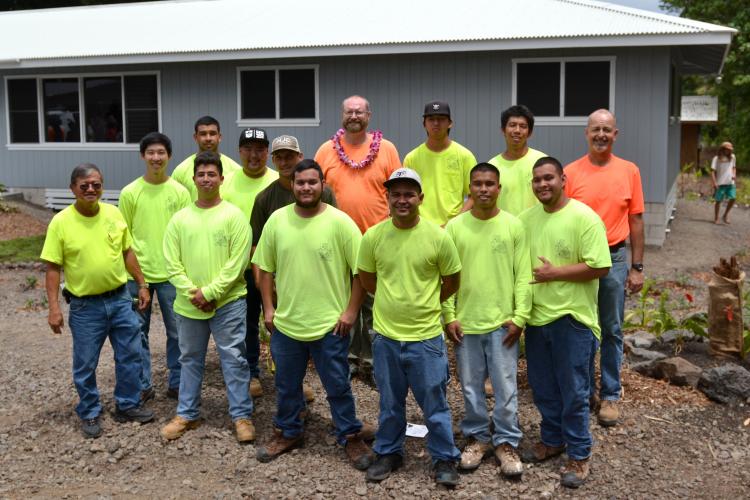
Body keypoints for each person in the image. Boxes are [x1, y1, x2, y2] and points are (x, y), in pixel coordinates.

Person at [252, 160, 374, 469]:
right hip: (287, 324)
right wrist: (268, 307)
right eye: (300, 182)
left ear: (322, 185)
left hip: (330, 325)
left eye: (312, 182)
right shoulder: (277, 221)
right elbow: (264, 267)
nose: (306, 187)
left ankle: (349, 434)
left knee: (337, 384)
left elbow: (361, 273)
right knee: (286, 384)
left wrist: (350, 312)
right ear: (292, 185)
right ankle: (289, 431)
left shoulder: (340, 223)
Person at [358, 168, 462, 487]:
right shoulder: (373, 237)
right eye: (396, 194)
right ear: (387, 197)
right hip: (387, 337)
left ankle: (444, 458)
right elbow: (367, 280)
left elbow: (452, 280)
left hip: (426, 338)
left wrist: (426, 302)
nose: (402, 200)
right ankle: (389, 452)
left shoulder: (438, 237)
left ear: (421, 198)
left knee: (435, 403)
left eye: (409, 193)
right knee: (390, 401)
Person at [41, 163, 155, 439]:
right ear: (73, 189)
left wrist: (142, 284)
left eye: (97, 184)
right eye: (84, 185)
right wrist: (54, 308)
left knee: (130, 354)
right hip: (84, 307)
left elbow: (127, 252)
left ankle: (127, 404)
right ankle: (90, 410)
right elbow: (53, 268)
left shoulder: (113, 214)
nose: (91, 189)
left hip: (119, 300)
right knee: (86, 362)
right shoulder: (61, 222)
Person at [519, 156, 611, 489]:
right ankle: (553, 439)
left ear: (563, 179)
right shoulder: (526, 220)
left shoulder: (584, 218)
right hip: (537, 318)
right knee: (543, 387)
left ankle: (579, 453)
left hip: (573, 320)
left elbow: (600, 266)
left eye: (549, 178)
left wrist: (554, 273)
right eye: (537, 180)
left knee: (574, 391)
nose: (543, 185)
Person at [442, 162, 531, 477]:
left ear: (499, 188)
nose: (483, 189)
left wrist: (520, 317)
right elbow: (448, 278)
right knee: (469, 385)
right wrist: (449, 315)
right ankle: (478, 437)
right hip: (465, 324)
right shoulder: (455, 228)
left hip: (501, 325)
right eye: (477, 184)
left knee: (506, 386)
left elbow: (523, 276)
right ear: (470, 188)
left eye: (489, 184)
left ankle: (507, 441)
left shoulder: (513, 226)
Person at [160, 151, 255, 443]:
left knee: (234, 358)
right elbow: (171, 262)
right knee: (189, 358)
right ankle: (187, 414)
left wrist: (211, 292)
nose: (206, 179)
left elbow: (237, 263)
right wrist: (194, 293)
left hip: (228, 302)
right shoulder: (180, 219)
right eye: (201, 174)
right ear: (193, 179)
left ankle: (241, 416)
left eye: (211, 174)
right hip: (189, 305)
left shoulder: (234, 217)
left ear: (221, 179)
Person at [564, 109, 645, 427]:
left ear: (615, 134)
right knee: (582, 327)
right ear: (586, 133)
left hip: (614, 259)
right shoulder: (571, 172)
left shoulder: (629, 171)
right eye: (595, 129)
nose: (600, 134)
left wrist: (637, 267)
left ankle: (610, 393)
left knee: (611, 329)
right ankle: (585, 392)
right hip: (581, 262)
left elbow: (636, 220)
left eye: (606, 130)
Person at [314, 95, 401, 382]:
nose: (354, 115)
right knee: (343, 303)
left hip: (377, 241)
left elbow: (397, 190)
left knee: (377, 304)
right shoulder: (327, 150)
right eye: (349, 111)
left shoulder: (386, 149)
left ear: (369, 116)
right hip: (337, 243)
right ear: (342, 115)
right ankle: (348, 360)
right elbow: (315, 192)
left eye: (359, 111)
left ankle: (375, 362)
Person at [250, 135, 337, 404]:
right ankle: (292, 392)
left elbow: (333, 234)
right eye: (279, 157)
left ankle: (322, 392)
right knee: (284, 341)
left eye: (290, 156)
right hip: (280, 283)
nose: (285, 161)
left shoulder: (326, 193)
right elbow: (257, 249)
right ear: (273, 160)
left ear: (300, 157)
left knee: (323, 347)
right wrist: (264, 288)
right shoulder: (265, 198)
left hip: (318, 282)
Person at [119, 132, 191, 402]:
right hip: (139, 275)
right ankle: (142, 383)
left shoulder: (180, 193)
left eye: (161, 152)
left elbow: (186, 233)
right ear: (142, 156)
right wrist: (135, 277)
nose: (156, 158)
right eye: (151, 153)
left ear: (169, 156)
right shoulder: (130, 192)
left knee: (178, 331)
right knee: (137, 332)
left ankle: (178, 382)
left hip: (173, 274)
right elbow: (124, 238)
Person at [222, 128, 279, 398]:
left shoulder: (280, 181)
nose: (254, 155)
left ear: (267, 151)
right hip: (241, 268)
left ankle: (287, 372)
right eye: (248, 149)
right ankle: (251, 372)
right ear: (240, 151)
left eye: (259, 149)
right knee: (245, 323)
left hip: (276, 268)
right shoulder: (228, 183)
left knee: (282, 322)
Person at [403, 101, 476, 226]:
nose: (436, 123)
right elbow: (405, 197)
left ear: (450, 123)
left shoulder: (465, 156)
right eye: (431, 119)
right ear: (424, 124)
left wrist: (454, 223)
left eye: (441, 119)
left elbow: (473, 196)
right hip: (420, 227)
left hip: (454, 228)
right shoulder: (412, 158)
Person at [488, 105, 547, 216]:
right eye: (512, 125)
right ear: (503, 130)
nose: (517, 130)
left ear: (529, 132)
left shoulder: (542, 162)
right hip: (505, 230)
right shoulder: (492, 166)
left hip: (536, 229)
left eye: (523, 126)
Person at [171, 116, 243, 200]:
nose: (208, 138)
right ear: (195, 137)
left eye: (212, 134)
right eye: (203, 134)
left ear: (219, 137)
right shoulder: (180, 171)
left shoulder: (235, 170)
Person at [710, 141, 737, 224]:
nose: (729, 151)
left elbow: (734, 167)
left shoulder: (732, 157)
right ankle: (716, 218)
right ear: (723, 149)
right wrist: (714, 182)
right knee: (718, 201)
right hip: (720, 183)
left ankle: (725, 215)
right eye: (727, 149)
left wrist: (734, 174)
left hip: (730, 182)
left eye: (730, 150)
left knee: (733, 198)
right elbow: (712, 171)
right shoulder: (716, 158)